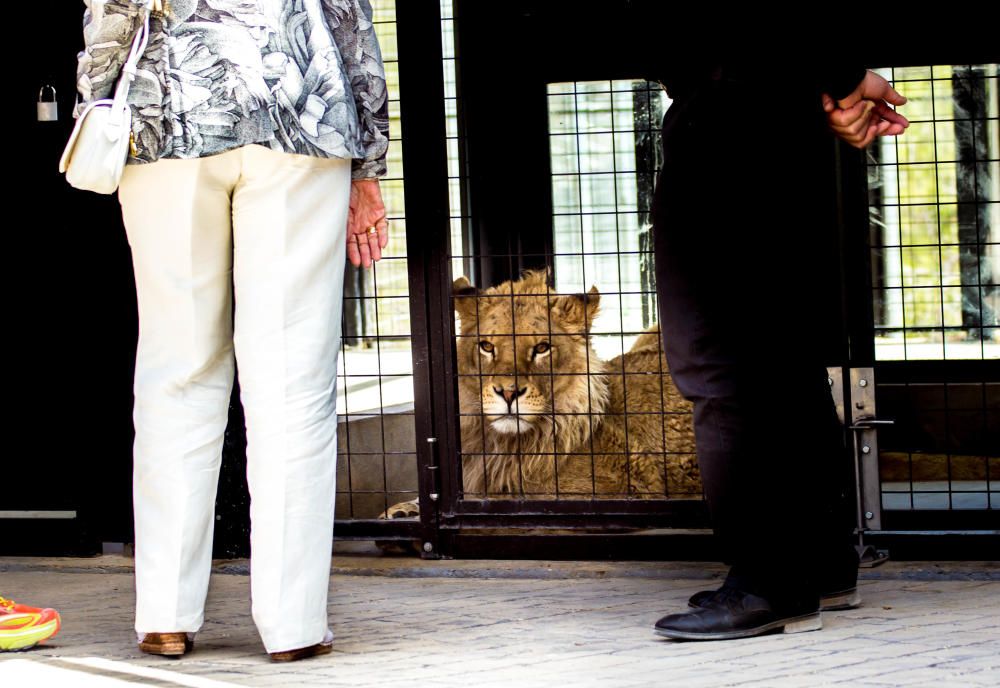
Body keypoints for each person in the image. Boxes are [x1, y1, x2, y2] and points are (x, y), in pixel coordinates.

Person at [74, 0, 389, 660]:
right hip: (301, 111)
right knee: (292, 380)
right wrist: (368, 163)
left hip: (169, 115)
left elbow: (109, 11)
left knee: (176, 372)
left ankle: (165, 613)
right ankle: (293, 625)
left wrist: (98, 104)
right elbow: (350, 20)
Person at [648, 61, 908, 640]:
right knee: (779, 349)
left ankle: (770, 582)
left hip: (730, 109)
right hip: (772, 110)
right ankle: (819, 564)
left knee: (718, 355)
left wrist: (840, 76)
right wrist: (839, 77)